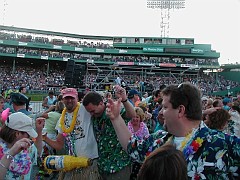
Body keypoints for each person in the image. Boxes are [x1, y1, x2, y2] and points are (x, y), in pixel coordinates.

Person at [106, 82, 240, 179]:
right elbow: (132, 147)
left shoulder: (225, 145)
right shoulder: (159, 140)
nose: (161, 112)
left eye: (165, 107)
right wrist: (116, 118)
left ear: (180, 110)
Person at [42, 88, 99, 179]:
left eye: (72, 98)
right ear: (62, 99)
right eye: (66, 98)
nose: (69, 100)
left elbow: (98, 107)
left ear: (77, 98)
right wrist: (45, 138)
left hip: (90, 161)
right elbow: (59, 145)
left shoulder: (85, 109)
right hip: (73, 163)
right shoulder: (62, 119)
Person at [82, 85, 136, 180]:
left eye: (93, 111)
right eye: (89, 112)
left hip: (119, 165)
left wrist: (124, 100)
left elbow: (132, 115)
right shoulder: (94, 117)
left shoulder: (112, 109)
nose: (91, 114)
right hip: (102, 166)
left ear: (101, 103)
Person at [0, 112, 44, 179]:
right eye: (28, 134)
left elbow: (38, 152)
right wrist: (11, 153)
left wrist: (39, 130)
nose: (29, 137)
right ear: (17, 133)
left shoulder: (24, 148)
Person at [128, 107, 149, 179]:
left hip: (140, 156)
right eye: (133, 117)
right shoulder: (127, 125)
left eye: (137, 117)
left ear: (140, 118)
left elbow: (147, 141)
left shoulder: (144, 127)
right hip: (127, 154)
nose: (135, 119)